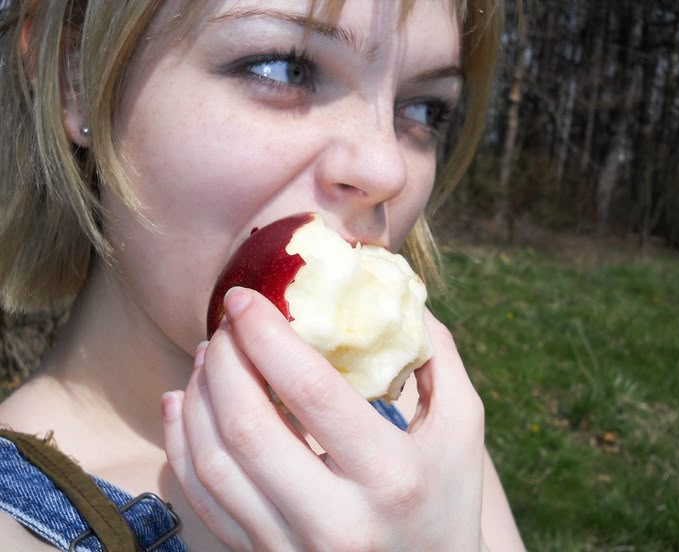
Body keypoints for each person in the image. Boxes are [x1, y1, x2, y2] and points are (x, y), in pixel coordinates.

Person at [0, 0, 526, 550]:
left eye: (422, 110)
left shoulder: (421, 439)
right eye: (285, 69)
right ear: (74, 76)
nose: (386, 168)